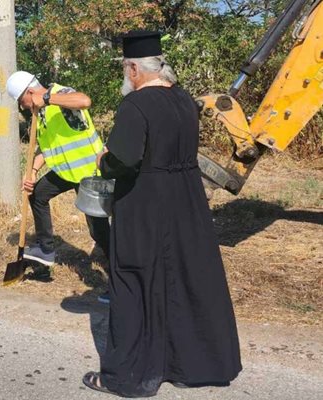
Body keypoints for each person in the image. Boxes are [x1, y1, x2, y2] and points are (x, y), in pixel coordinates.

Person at [82, 31, 242, 397]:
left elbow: (125, 159)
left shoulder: (135, 106)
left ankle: (126, 377)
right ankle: (189, 365)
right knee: (182, 279)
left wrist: (103, 161)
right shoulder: (184, 100)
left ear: (134, 68)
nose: (126, 76)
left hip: (145, 202)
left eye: (126, 69)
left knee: (134, 281)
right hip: (186, 201)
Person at [6, 71, 110, 269]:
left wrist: (47, 98)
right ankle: (46, 250)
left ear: (30, 92)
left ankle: (121, 277)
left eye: (21, 100)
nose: (22, 106)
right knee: (38, 195)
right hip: (65, 171)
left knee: (99, 231)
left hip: (89, 172)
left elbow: (84, 100)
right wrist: (33, 171)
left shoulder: (60, 93)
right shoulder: (41, 114)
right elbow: (46, 147)